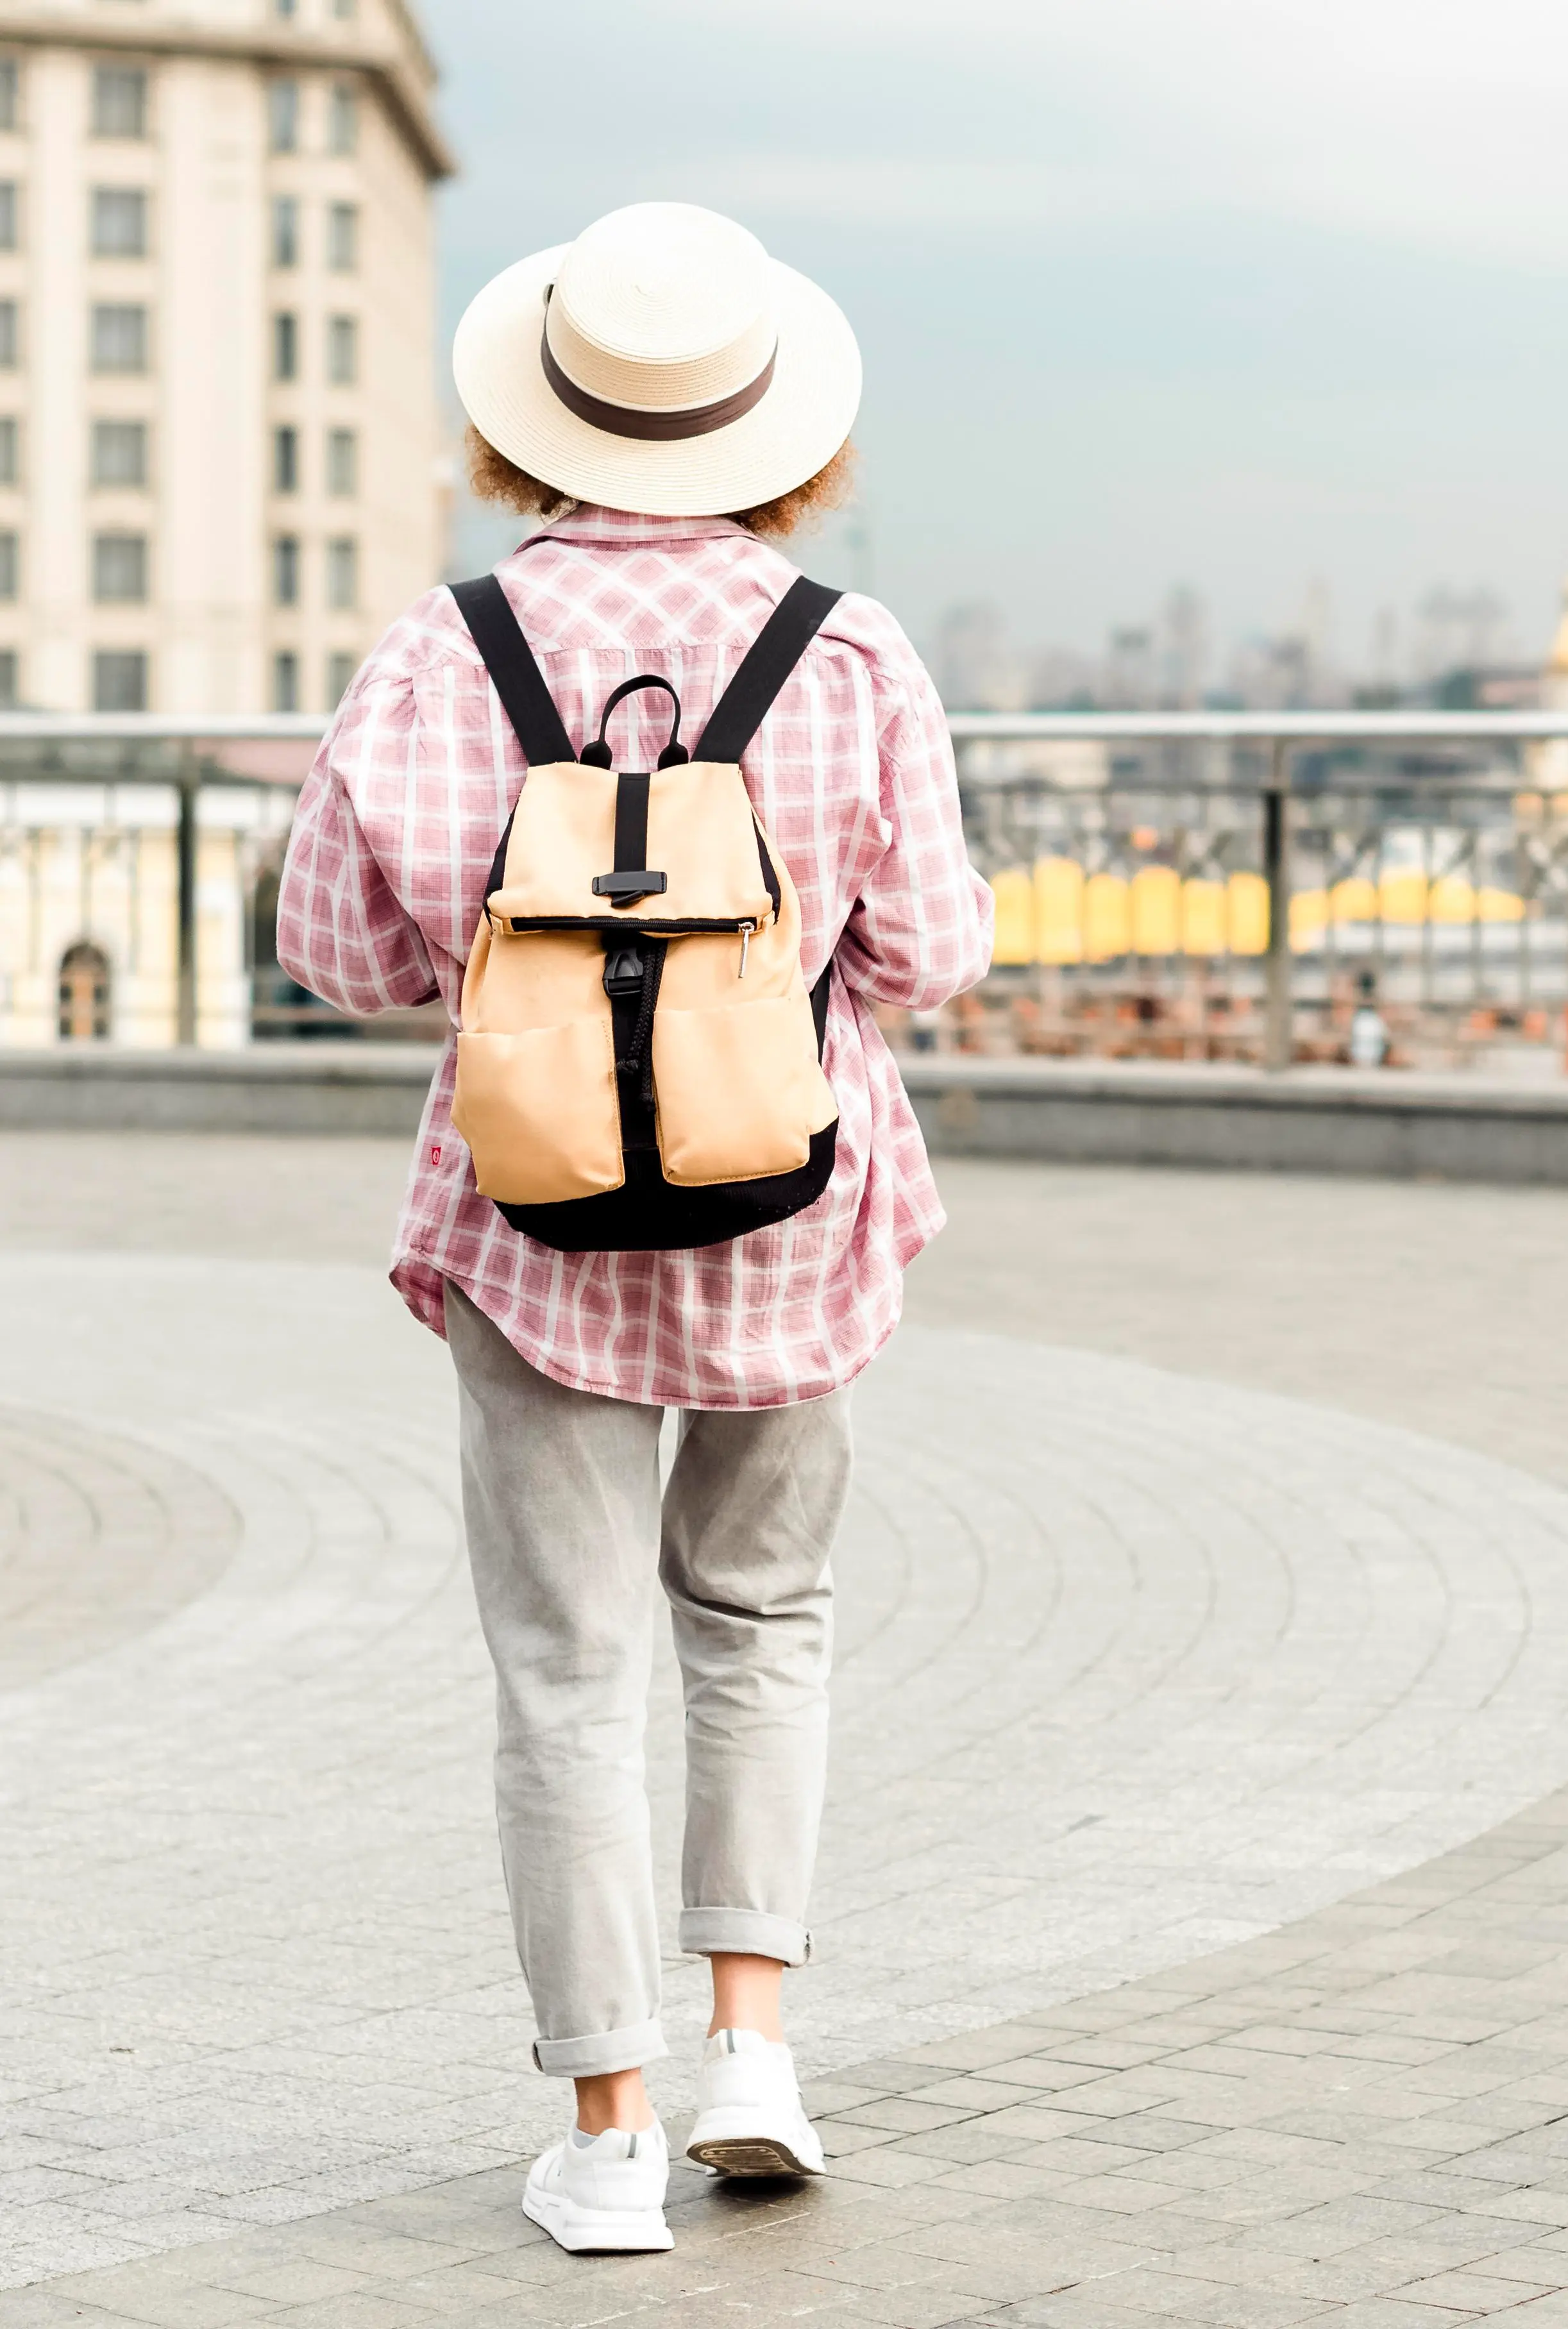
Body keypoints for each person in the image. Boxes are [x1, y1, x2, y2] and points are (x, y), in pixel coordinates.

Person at [277, 201, 993, 2256]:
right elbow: (926, 954)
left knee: (564, 1673)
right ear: (780, 427)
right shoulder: (845, 648)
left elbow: (342, 952)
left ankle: (605, 2137)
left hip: (535, 1223)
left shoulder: (444, 647)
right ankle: (752, 2050)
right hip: (790, 1215)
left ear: (530, 418)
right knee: (759, 1623)